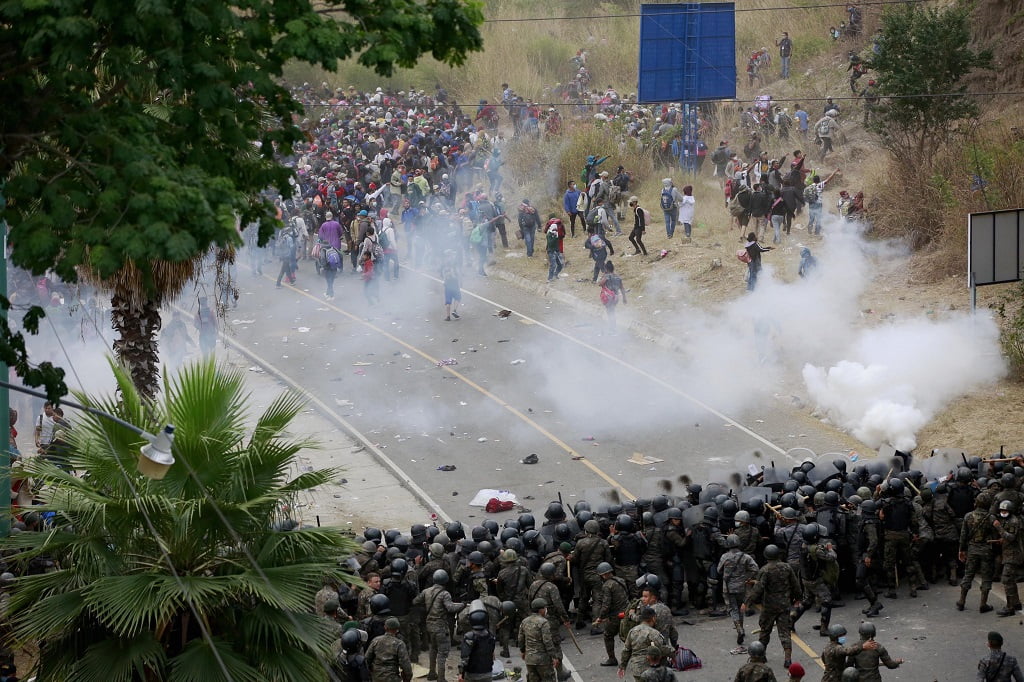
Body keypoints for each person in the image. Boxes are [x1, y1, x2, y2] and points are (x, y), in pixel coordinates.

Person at [744, 544, 800, 668]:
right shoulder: (787, 567)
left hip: (769, 606)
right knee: (785, 632)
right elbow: (795, 584)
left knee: (765, 631)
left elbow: (759, 588)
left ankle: (761, 656)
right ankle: (787, 659)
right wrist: (798, 598)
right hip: (784, 605)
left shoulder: (765, 570)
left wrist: (748, 602)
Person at [958, 492, 997, 612]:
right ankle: (983, 604)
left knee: (968, 574)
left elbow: (963, 535)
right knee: (986, 577)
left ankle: (961, 601)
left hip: (972, 549)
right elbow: (995, 536)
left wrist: (961, 550)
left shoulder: (968, 516)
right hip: (986, 550)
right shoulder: (991, 518)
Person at [718, 534, 759, 646]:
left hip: (728, 588)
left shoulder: (724, 557)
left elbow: (719, 570)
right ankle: (741, 628)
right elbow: (755, 568)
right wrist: (747, 577)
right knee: (741, 608)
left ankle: (739, 629)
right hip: (742, 587)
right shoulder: (745, 557)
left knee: (733, 609)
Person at [518, 599, 565, 682]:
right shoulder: (543, 622)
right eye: (545, 608)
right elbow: (547, 641)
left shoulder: (524, 621)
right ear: (541, 610)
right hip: (543, 660)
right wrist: (554, 656)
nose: (546, 610)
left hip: (530, 660)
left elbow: (521, 639)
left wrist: (522, 651)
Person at [592, 561, 630, 667]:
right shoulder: (621, 580)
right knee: (628, 636)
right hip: (626, 612)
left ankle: (612, 658)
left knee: (608, 635)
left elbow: (606, 605)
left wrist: (600, 617)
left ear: (604, 574)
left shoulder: (607, 586)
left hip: (616, 616)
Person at [619, 607, 667, 682]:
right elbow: (663, 648)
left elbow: (626, 650)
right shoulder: (653, 633)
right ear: (653, 618)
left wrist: (622, 666)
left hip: (636, 669)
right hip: (649, 669)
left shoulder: (632, 631)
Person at [993, 500, 1023, 616]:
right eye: (1002, 510)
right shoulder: (1007, 520)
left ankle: (1009, 607)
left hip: (1013, 555)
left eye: (1005, 510)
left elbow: (1011, 537)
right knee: (1010, 580)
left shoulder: (1013, 521)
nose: (1003, 512)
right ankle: (1016, 603)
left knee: (1006, 579)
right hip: (1008, 553)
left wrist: (998, 528)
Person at [365, 616, 413, 682]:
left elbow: (366, 660)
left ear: (385, 627)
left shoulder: (375, 640)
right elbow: (406, 665)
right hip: (392, 678)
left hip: (376, 677)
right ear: (397, 629)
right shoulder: (399, 644)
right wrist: (407, 679)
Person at [459, 609, 497, 682]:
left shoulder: (469, 637)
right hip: (487, 673)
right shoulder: (491, 636)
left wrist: (461, 673)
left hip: (472, 674)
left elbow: (465, 658)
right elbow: (491, 654)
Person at [598, 262, 626, 330]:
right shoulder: (618, 277)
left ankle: (612, 327)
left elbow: (600, 284)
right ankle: (612, 326)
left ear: (606, 269)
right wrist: (624, 298)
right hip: (615, 298)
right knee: (612, 310)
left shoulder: (606, 276)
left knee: (610, 312)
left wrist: (604, 275)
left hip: (608, 297)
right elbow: (622, 288)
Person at [441, 251, 461, 322]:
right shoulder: (455, 264)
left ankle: (448, 317)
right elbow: (458, 273)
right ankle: (454, 310)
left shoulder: (443, 265)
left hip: (447, 285)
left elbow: (442, 275)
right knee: (458, 297)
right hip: (454, 283)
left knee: (448, 301)